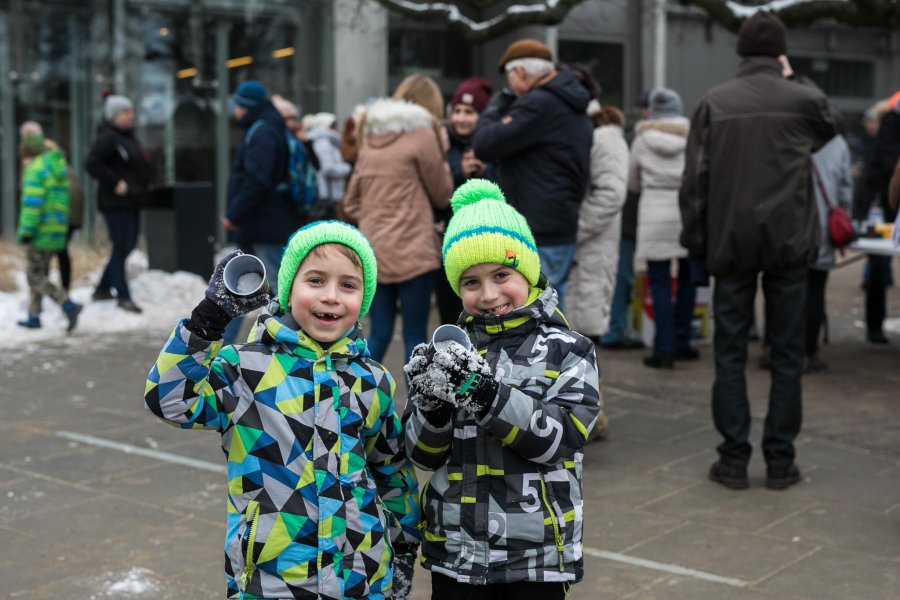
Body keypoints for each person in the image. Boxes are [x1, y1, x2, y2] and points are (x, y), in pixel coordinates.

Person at [144, 220, 420, 599]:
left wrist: (402, 548)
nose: (331, 297)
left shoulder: (373, 380)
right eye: (316, 281)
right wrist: (209, 320)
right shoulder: (245, 369)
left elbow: (391, 471)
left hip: (360, 577)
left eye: (348, 285)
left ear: (364, 299)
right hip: (272, 580)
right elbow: (169, 399)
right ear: (289, 291)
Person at [403, 179, 601, 599]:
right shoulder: (451, 349)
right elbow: (421, 455)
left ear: (526, 270)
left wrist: (484, 391)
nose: (489, 294)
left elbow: (560, 442)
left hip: (534, 557)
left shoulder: (569, 349)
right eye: (471, 282)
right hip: (454, 551)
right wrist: (432, 409)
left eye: (501, 275)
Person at [680, 11, 835, 491]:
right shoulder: (803, 99)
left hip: (731, 241)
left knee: (729, 354)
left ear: (742, 52)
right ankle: (780, 461)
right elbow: (829, 126)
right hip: (790, 241)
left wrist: (697, 242)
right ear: (780, 53)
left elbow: (696, 183)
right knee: (787, 353)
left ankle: (732, 459)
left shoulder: (714, 102)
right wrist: (795, 78)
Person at [472, 39, 593, 308]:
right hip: (559, 219)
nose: (510, 86)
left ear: (521, 73)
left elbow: (485, 143)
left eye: (509, 77)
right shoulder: (570, 103)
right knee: (551, 302)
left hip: (537, 225)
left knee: (535, 306)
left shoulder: (539, 104)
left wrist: (496, 106)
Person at [342, 74, 454, 363]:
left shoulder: (371, 137)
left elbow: (351, 201)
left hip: (375, 250)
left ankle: (359, 396)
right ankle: (414, 406)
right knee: (415, 336)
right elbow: (443, 195)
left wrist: (373, 218)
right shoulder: (424, 135)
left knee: (378, 332)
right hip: (413, 249)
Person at [630, 87, 696, 369]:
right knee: (688, 278)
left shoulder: (643, 139)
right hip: (686, 212)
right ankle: (683, 341)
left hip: (654, 213)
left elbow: (632, 181)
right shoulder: (693, 137)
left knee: (658, 282)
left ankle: (664, 348)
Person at [435, 76, 497, 325]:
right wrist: (460, 172)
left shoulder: (495, 146)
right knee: (450, 313)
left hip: (486, 241)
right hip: (449, 240)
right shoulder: (443, 146)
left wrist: (486, 173)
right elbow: (438, 195)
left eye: (469, 112)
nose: (461, 118)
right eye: (457, 111)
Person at [567, 100, 629, 344]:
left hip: (591, 246)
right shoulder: (593, 137)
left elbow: (611, 195)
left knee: (582, 334)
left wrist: (574, 229)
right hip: (585, 247)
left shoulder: (604, 138)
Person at [86, 93, 152, 313]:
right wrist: (115, 182)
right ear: (114, 115)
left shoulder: (128, 137)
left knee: (128, 245)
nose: (131, 115)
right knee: (121, 246)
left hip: (131, 201)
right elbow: (91, 162)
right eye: (126, 112)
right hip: (115, 203)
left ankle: (102, 288)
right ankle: (123, 296)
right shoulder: (108, 137)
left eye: (131, 111)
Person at [599, 93, 651, 351]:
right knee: (621, 277)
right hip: (627, 219)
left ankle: (609, 328)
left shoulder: (623, 138)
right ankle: (614, 331)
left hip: (615, 219)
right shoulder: (634, 140)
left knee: (612, 276)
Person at [16, 128, 82, 332]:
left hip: (40, 231)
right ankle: (33, 316)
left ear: (28, 155)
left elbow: (33, 204)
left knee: (33, 275)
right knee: (40, 271)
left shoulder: (35, 171)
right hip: (55, 229)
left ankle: (68, 305)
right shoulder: (56, 168)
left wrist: (26, 230)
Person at [806, 127, 854, 372]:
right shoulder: (837, 143)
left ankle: (778, 347)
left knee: (784, 291)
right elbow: (845, 186)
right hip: (823, 228)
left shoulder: (789, 133)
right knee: (815, 291)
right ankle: (809, 351)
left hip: (788, 228)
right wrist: (845, 213)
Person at [862, 92, 900, 344]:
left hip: (886, 207)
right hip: (886, 209)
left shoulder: (888, 126)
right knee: (878, 266)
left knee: (878, 266)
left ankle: (874, 327)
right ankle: (874, 326)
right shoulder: (891, 126)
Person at [306, 112, 352, 220]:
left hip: (330, 195)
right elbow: (327, 168)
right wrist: (347, 168)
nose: (336, 128)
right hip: (327, 195)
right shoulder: (323, 143)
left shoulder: (328, 142)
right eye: (332, 125)